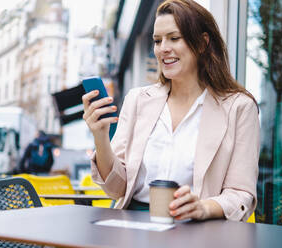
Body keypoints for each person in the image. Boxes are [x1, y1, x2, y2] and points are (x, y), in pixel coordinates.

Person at [82, 0, 259, 222]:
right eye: (157, 40)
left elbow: (241, 193)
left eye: (174, 38)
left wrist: (203, 207)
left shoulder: (239, 107)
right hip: (134, 225)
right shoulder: (138, 100)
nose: (163, 48)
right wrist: (100, 137)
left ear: (203, 43)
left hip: (199, 228)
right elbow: (117, 189)